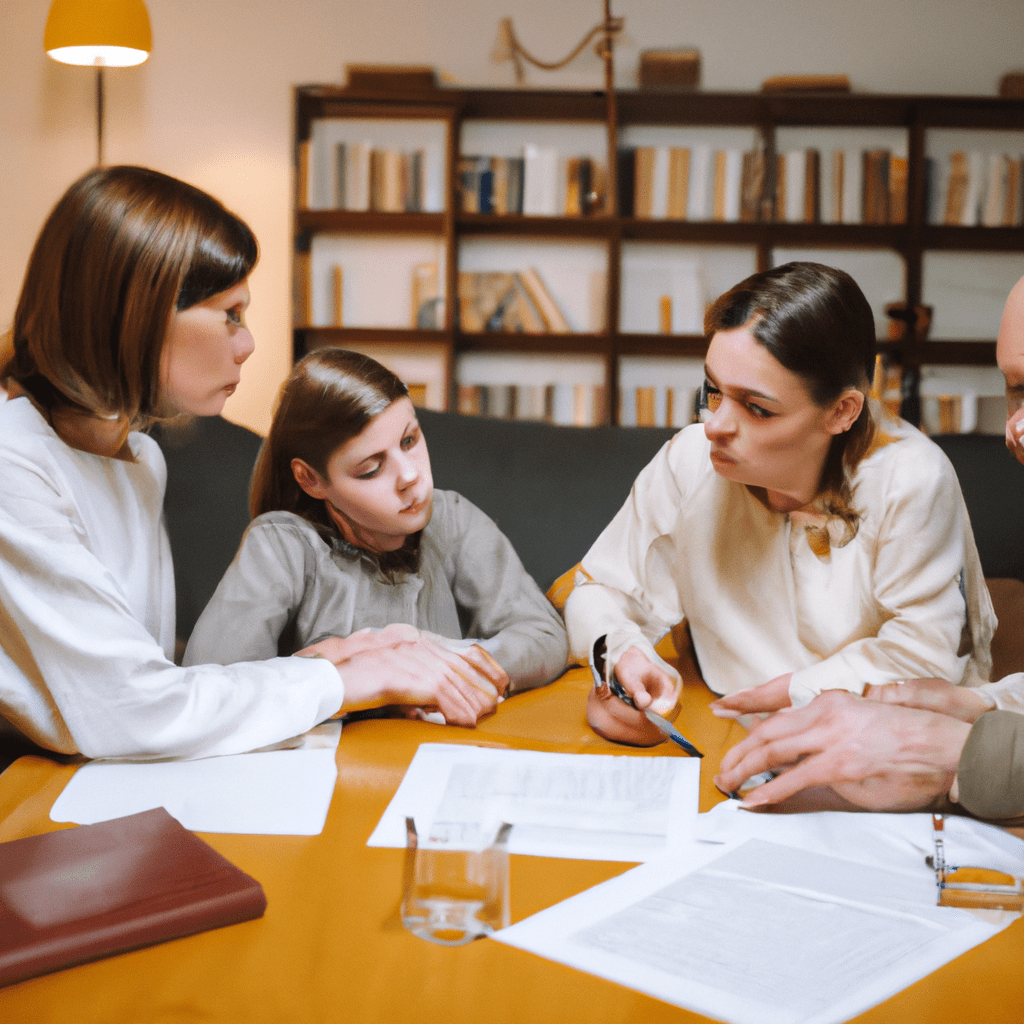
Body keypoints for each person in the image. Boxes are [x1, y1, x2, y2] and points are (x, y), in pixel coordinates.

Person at [0, 165, 507, 763]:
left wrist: (331, 661)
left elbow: (141, 680)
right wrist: (348, 680)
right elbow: (133, 712)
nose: (248, 344)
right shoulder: (14, 465)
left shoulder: (139, 458)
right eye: (231, 315)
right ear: (139, 314)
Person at [565, 262, 996, 747]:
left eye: (756, 408)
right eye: (712, 391)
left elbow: (926, 658)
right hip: (720, 727)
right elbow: (598, 589)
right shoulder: (692, 459)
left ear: (841, 411)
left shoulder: (912, 479)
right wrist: (623, 654)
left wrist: (789, 692)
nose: (714, 426)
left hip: (882, 745)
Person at [713, 273, 1024, 819]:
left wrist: (951, 753)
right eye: (1017, 390)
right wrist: (981, 706)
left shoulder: (909, 475)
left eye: (758, 406)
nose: (1015, 433)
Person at [182, 348, 568, 706]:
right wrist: (349, 666)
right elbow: (208, 687)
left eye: (410, 439)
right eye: (372, 468)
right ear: (310, 479)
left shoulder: (452, 518)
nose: (411, 476)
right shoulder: (281, 545)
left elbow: (545, 636)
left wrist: (443, 659)